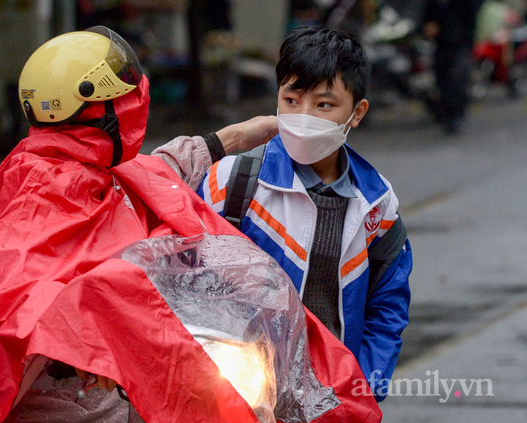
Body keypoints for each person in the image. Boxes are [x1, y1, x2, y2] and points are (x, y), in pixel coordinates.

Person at [0, 26, 382, 423]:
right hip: (63, 399)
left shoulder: (91, 164)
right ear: (108, 111)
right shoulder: (40, 187)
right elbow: (15, 297)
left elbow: (157, 171)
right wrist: (96, 308)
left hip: (127, 381)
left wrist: (235, 135)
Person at [154, 25, 412, 402]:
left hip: (330, 397)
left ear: (356, 113)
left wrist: (364, 387)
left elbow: (387, 304)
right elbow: (176, 279)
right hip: (237, 393)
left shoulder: (376, 203)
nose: (304, 115)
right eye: (292, 100)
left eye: (324, 105)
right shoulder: (232, 181)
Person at [423, 0, 485, 135]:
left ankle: (457, 114)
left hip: (461, 44)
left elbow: (471, 19)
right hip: (441, 45)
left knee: (457, 79)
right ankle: (447, 114)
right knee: (442, 80)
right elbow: (428, 18)